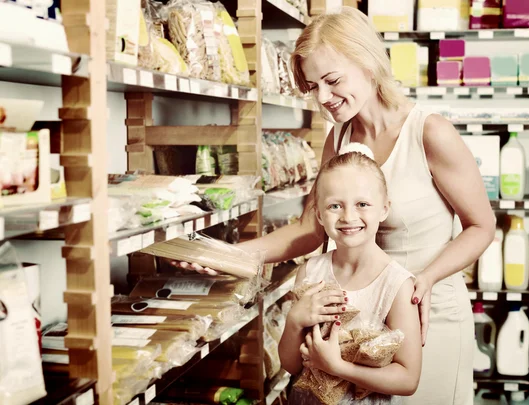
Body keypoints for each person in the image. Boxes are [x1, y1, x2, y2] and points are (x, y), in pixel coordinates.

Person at [178, 6, 495, 405]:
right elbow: (310, 230)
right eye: (313, 86)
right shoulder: (339, 139)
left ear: (367, 62)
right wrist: (228, 255)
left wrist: (427, 278)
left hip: (427, 314)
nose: (323, 98)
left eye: (331, 80)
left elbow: (482, 226)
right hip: (363, 323)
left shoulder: (429, 132)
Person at [280, 145, 422, 404]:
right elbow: (291, 365)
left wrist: (337, 367)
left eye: (362, 204)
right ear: (320, 215)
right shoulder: (310, 273)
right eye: (335, 205)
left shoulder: (397, 285)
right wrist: (294, 321)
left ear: (384, 209)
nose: (348, 216)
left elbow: (408, 379)